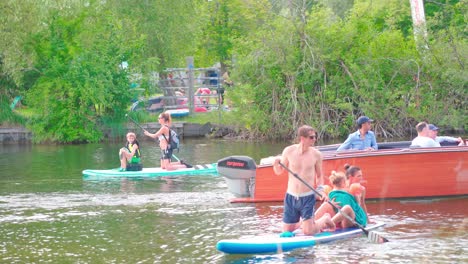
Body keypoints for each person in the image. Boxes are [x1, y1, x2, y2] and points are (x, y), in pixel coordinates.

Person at [273, 125, 335, 236]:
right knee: (287, 231)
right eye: (311, 137)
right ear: (302, 138)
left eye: (315, 137)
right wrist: (276, 164)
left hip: (307, 197)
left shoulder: (316, 155)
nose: (314, 139)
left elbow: (320, 176)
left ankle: (325, 219)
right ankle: (304, 223)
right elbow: (279, 171)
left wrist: (320, 190)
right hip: (291, 196)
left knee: (308, 232)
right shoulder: (289, 151)